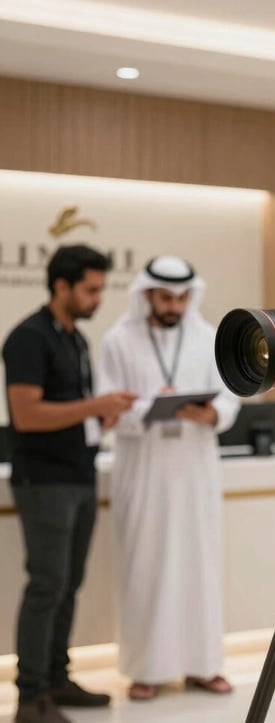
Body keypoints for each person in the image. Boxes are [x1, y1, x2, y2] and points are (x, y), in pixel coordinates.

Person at [2, 244, 137, 723]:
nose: (99, 298)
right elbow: (27, 414)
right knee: (47, 585)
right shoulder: (28, 338)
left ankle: (56, 679)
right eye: (92, 289)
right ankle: (31, 697)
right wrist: (94, 407)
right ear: (62, 285)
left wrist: (105, 416)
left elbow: (71, 411)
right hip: (45, 482)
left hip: (77, 476)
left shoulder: (75, 339)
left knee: (67, 584)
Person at [96, 255, 240, 701]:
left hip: (194, 471)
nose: (174, 306)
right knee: (146, 568)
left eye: (181, 298)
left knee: (199, 567)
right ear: (146, 295)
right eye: (165, 297)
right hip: (143, 471)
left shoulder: (209, 336)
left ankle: (204, 665)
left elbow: (231, 396)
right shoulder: (118, 340)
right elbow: (106, 405)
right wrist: (150, 409)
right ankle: (146, 670)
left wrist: (209, 412)